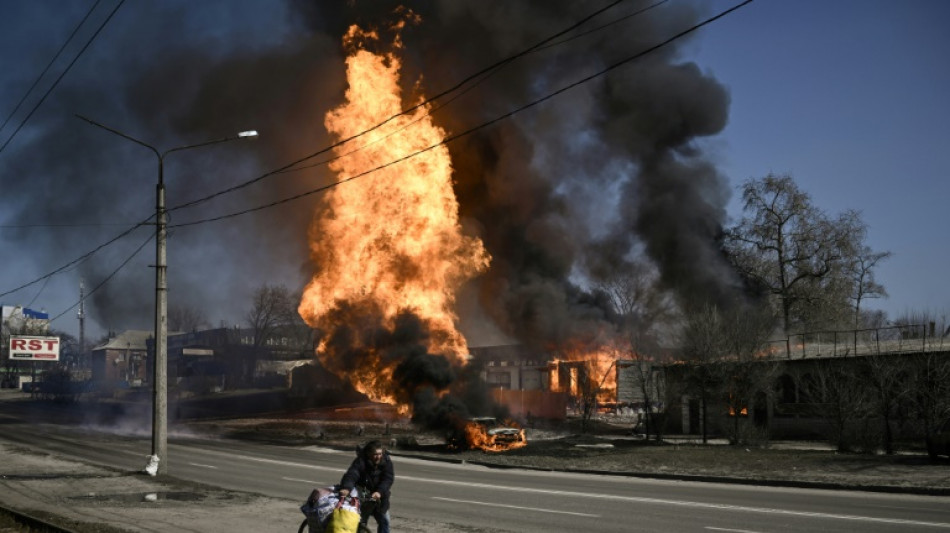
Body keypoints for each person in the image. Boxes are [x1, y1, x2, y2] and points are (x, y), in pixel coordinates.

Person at [338, 440, 394, 533]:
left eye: (380, 454)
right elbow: (352, 474)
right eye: (375, 454)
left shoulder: (386, 461)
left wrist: (379, 492)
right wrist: (347, 488)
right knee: (361, 523)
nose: (378, 457)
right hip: (364, 495)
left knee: (385, 521)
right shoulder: (361, 461)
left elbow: (388, 479)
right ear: (368, 453)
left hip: (380, 497)